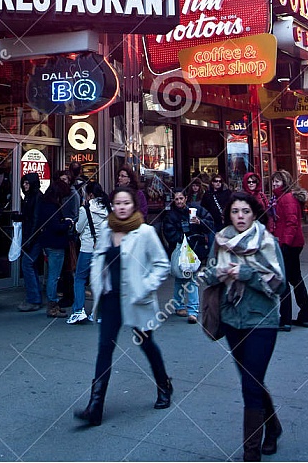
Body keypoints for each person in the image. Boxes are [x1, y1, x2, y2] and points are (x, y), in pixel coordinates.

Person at [73, 187, 172, 426]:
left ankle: (164, 385)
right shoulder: (107, 229)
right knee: (104, 348)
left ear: (134, 205)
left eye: (126, 203)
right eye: (118, 203)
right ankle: (95, 406)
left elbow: (162, 265)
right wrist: (98, 282)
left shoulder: (145, 232)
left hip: (137, 299)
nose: (122, 207)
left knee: (146, 344)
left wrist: (145, 286)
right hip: (111, 299)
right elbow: (98, 258)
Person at [201, 191, 285, 460]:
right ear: (229, 214)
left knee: (250, 384)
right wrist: (218, 273)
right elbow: (206, 275)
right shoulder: (220, 241)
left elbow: (279, 284)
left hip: (261, 320)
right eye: (235, 211)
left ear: (254, 214)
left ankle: (251, 454)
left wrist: (248, 274)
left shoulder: (267, 242)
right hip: (231, 320)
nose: (240, 216)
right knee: (252, 381)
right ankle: (272, 427)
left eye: (245, 211)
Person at [268, 169, 308, 331]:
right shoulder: (282, 198)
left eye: (278, 181)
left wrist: (285, 244)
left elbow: (291, 223)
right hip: (291, 243)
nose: (274, 184)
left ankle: (285, 319)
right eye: (273, 181)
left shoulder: (287, 198)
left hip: (288, 244)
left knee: (284, 281)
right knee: (295, 279)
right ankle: (304, 316)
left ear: (285, 182)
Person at [162, 189, 214, 323]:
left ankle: (192, 311)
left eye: (181, 198)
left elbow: (210, 223)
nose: (179, 201)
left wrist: (200, 222)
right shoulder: (170, 215)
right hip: (180, 249)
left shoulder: (196, 209)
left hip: (195, 249)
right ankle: (180, 306)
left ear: (186, 198)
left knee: (192, 278)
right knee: (180, 278)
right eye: (176, 199)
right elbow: (169, 232)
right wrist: (182, 239)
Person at [67, 181, 111, 325]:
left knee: (80, 278)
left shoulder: (85, 209)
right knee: (101, 280)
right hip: (104, 248)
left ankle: (78, 310)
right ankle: (100, 313)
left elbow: (79, 228)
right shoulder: (108, 207)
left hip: (88, 247)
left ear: (90, 195)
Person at [38, 179, 80, 318]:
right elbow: (55, 226)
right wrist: (67, 223)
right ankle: (52, 305)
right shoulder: (52, 206)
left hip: (49, 243)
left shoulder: (45, 204)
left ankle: (53, 304)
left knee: (53, 275)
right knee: (54, 276)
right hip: (56, 244)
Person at [16, 172, 44, 311]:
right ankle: (35, 296)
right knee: (31, 265)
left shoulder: (36, 197)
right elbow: (31, 217)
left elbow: (36, 220)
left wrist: (29, 240)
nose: (24, 185)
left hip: (34, 237)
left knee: (27, 264)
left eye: (27, 183)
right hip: (32, 236)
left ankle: (33, 299)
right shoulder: (30, 197)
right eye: (24, 183)